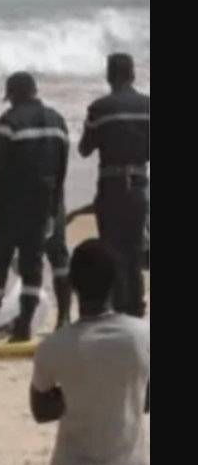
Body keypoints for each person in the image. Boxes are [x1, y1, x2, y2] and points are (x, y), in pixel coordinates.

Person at [31, 239, 150, 465]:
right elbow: (146, 402)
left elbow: (41, 411)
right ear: (116, 283)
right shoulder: (141, 337)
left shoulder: (54, 346)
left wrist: (76, 395)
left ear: (72, 285)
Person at [0, 72, 70, 345]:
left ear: (12, 95)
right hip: (42, 205)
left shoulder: (8, 121)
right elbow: (61, 169)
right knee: (32, 266)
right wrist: (54, 208)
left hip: (8, 205)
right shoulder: (58, 121)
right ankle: (23, 328)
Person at [79, 53, 149, 318]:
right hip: (139, 185)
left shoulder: (100, 108)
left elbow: (85, 149)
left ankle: (117, 305)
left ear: (109, 76)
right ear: (133, 74)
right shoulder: (148, 105)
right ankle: (136, 307)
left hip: (110, 184)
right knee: (133, 248)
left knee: (111, 247)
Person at [0, 165, 73, 330]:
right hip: (25, 184)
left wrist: (52, 209)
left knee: (56, 251)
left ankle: (63, 317)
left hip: (46, 186)